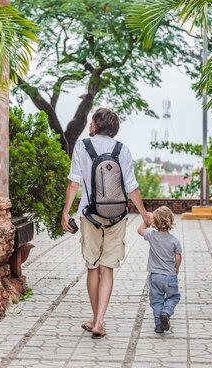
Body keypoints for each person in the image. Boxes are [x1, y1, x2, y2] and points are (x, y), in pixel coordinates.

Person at [62, 108, 152, 339]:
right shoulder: (123, 150)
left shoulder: (82, 146)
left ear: (95, 125)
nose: (89, 124)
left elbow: (74, 183)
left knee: (92, 267)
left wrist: (65, 213)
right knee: (107, 268)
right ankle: (99, 321)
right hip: (117, 216)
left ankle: (94, 319)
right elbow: (131, 187)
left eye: (91, 120)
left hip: (89, 215)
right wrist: (144, 214)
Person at [137, 206, 182, 334]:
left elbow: (139, 230)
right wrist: (176, 268)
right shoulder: (174, 241)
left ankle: (158, 325)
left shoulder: (151, 235)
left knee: (156, 300)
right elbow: (178, 256)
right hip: (170, 276)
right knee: (174, 296)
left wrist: (147, 220)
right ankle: (166, 312)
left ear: (155, 223)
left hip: (155, 277)